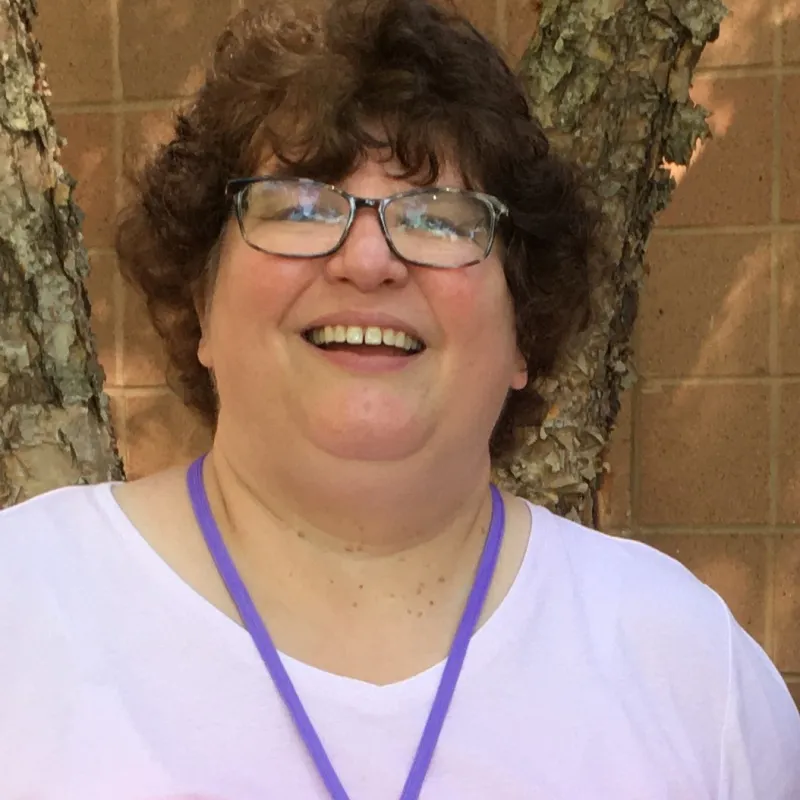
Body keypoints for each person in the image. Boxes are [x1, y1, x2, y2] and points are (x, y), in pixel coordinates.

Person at [1, 0, 798, 797]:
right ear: (201, 301)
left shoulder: (693, 675)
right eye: (300, 206)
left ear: (524, 329)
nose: (368, 260)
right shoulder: (24, 612)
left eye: (441, 220)